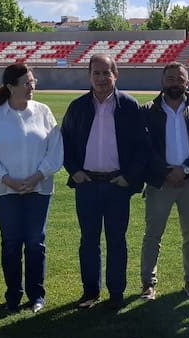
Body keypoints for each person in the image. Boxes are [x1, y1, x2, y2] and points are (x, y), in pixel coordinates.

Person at [60, 54, 151, 309]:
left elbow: (142, 147)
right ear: (89, 76)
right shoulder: (78, 106)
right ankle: (90, 291)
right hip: (87, 184)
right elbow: (64, 142)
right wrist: (74, 171)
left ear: (115, 75)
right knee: (89, 240)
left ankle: (116, 293)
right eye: (96, 73)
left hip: (116, 185)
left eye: (106, 73)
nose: (101, 78)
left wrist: (129, 177)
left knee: (117, 240)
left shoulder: (129, 106)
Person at [0, 63, 63, 314]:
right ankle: (13, 295)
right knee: (12, 243)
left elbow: (55, 149)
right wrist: (7, 180)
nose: (31, 86)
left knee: (36, 242)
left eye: (33, 81)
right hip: (5, 192)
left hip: (39, 190)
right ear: (10, 87)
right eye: (26, 83)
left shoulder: (43, 112)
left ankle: (36, 295)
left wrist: (37, 176)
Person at [140, 62, 189, 300]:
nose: (175, 82)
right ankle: (148, 283)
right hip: (159, 183)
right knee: (153, 234)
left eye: (179, 78)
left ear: (187, 83)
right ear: (162, 82)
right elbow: (144, 148)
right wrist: (166, 171)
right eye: (170, 78)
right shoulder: (148, 110)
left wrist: (184, 168)